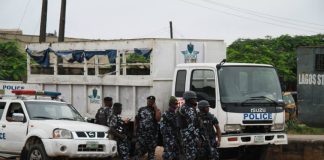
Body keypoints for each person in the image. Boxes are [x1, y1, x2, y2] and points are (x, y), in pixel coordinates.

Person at [134, 95, 161, 160]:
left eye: (152, 101)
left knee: (151, 154)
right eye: (149, 101)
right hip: (142, 135)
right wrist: (134, 131)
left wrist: (155, 108)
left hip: (152, 137)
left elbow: (158, 119)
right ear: (147, 101)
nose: (150, 102)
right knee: (139, 153)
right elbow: (136, 120)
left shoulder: (157, 110)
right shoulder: (141, 109)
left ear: (154, 102)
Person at [177, 91, 199, 160]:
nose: (195, 100)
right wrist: (197, 138)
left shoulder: (183, 107)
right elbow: (191, 126)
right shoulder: (189, 109)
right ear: (189, 99)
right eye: (194, 99)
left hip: (184, 134)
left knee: (187, 152)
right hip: (189, 135)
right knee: (191, 155)